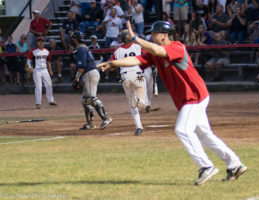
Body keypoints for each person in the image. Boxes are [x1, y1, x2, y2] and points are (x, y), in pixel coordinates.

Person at [97, 20, 247, 185]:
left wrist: (135, 38)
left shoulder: (177, 47)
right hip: (188, 99)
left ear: (164, 35)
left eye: (154, 33)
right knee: (205, 135)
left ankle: (206, 166)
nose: (151, 36)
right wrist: (113, 63)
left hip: (194, 96)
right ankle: (234, 165)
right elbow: (137, 60)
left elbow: (156, 49)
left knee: (182, 129)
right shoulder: (156, 53)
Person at [71, 31, 113, 130]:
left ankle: (106, 118)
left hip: (89, 73)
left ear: (76, 39)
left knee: (90, 98)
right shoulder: (83, 48)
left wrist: (76, 78)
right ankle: (90, 124)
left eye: (73, 38)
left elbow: (82, 66)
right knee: (85, 100)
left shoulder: (81, 49)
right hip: (89, 74)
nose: (71, 40)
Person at [110, 30, 146, 135]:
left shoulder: (117, 50)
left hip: (125, 75)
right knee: (142, 104)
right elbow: (147, 57)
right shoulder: (138, 47)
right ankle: (139, 101)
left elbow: (112, 65)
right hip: (138, 74)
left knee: (132, 105)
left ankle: (139, 127)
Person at [27, 36, 57, 109]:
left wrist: (50, 70)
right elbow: (28, 60)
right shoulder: (33, 51)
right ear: (37, 42)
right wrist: (30, 68)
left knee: (49, 84)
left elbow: (48, 61)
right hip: (37, 70)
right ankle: (38, 103)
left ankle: (51, 100)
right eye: (39, 41)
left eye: (42, 41)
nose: (41, 42)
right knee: (38, 86)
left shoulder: (46, 51)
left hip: (45, 69)